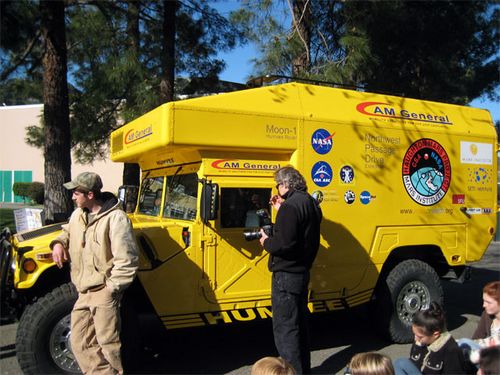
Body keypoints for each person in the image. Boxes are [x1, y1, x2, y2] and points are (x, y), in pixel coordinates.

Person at [50, 172, 139, 374]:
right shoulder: (78, 215)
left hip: (104, 292)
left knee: (108, 345)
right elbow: (66, 232)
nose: (73, 196)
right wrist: (58, 243)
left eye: (76, 193)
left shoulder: (116, 219)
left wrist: (111, 289)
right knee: (80, 343)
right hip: (84, 291)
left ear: (90, 195)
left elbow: (128, 260)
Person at [259, 166, 322, 374]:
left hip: (286, 276)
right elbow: (301, 231)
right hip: (302, 273)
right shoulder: (310, 202)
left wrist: (265, 241)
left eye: (278, 185)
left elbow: (284, 245)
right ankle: (304, 370)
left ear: (285, 184)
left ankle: (291, 372)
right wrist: (282, 208)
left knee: (286, 331)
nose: (276, 189)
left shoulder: (290, 207)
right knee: (300, 328)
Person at [393, 301, 467, 375]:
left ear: (436, 334)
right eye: (414, 334)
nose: (415, 339)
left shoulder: (451, 350)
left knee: (401, 362)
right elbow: (413, 363)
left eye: (419, 337)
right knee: (398, 364)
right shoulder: (421, 341)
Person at [458, 281, 500, 365]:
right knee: (462, 345)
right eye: (484, 301)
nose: (484, 305)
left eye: (488, 302)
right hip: (486, 354)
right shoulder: (487, 314)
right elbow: (477, 337)